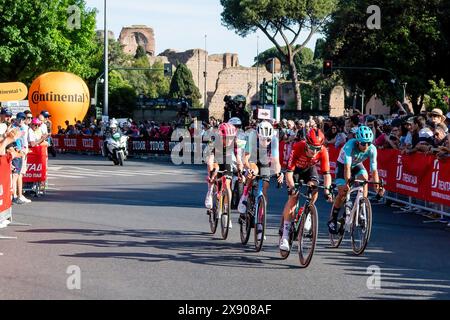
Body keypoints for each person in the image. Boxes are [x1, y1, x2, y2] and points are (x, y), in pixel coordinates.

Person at [279, 129, 332, 251]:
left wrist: (327, 190)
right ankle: (285, 236)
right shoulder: (298, 146)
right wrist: (292, 187)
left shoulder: (323, 151)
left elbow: (326, 174)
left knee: (315, 188)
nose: (315, 152)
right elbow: (289, 174)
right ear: (306, 145)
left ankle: (307, 212)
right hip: (295, 171)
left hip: (309, 169)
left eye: (317, 149)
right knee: (293, 198)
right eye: (312, 148)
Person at [328, 125, 384, 234]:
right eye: (363, 143)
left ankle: (362, 204)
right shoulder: (350, 146)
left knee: (365, 178)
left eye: (369, 143)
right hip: (343, 166)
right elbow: (347, 167)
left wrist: (377, 188)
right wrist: (348, 182)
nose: (366, 146)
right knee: (343, 192)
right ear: (358, 142)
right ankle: (333, 219)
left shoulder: (372, 149)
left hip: (357, 164)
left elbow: (374, 170)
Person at [237, 121, 284, 239]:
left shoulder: (273, 140)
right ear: (258, 135)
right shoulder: (252, 137)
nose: (265, 142)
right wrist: (248, 169)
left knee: (265, 187)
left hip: (264, 160)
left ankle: (261, 219)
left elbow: (276, 161)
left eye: (267, 140)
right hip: (252, 157)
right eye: (263, 139)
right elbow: (245, 158)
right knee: (254, 172)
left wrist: (278, 173)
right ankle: (244, 195)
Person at [204, 122, 240, 229]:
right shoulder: (213, 139)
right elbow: (210, 159)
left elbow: (239, 158)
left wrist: (241, 168)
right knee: (213, 168)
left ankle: (226, 212)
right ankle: (210, 190)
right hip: (214, 158)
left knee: (228, 185)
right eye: (226, 138)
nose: (228, 141)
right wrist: (212, 171)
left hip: (227, 160)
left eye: (230, 138)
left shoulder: (236, 141)